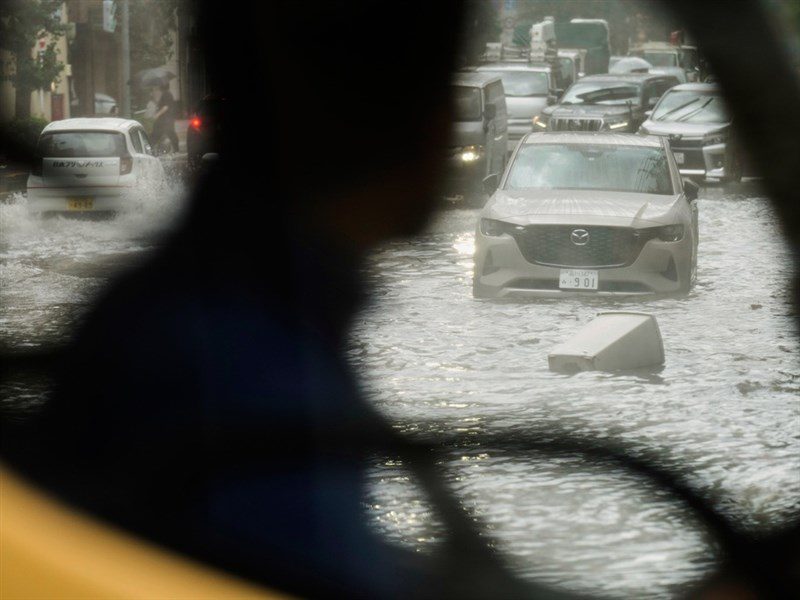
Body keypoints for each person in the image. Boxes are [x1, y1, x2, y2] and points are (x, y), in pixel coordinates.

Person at [151, 83, 179, 153]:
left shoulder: (166, 94)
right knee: (169, 133)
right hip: (166, 119)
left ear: (162, 86)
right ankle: (176, 149)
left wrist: (157, 115)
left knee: (157, 134)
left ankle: (150, 148)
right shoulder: (167, 94)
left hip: (165, 120)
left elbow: (166, 107)